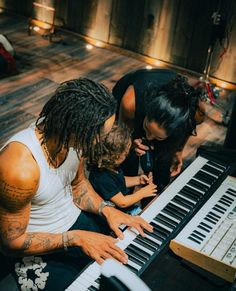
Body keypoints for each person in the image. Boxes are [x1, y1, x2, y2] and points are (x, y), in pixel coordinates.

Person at [0, 78, 152, 291]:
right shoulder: (19, 168)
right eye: (99, 136)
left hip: (75, 225)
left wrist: (106, 209)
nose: (100, 142)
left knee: (133, 261)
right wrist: (75, 239)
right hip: (36, 246)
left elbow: (78, 185)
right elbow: (11, 243)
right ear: (75, 128)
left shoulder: (71, 139)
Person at [112, 68, 205, 192]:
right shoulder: (130, 103)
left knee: (163, 165)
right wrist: (132, 142)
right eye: (147, 129)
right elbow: (123, 135)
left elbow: (187, 129)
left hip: (169, 118)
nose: (149, 138)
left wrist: (178, 150)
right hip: (130, 105)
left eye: (158, 137)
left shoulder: (196, 113)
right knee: (128, 158)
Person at [89, 122, 157, 216]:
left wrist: (138, 180)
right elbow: (122, 202)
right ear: (114, 157)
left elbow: (119, 181)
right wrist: (142, 193)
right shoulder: (101, 177)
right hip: (114, 214)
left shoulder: (111, 167)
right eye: (125, 154)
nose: (127, 154)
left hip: (124, 209)